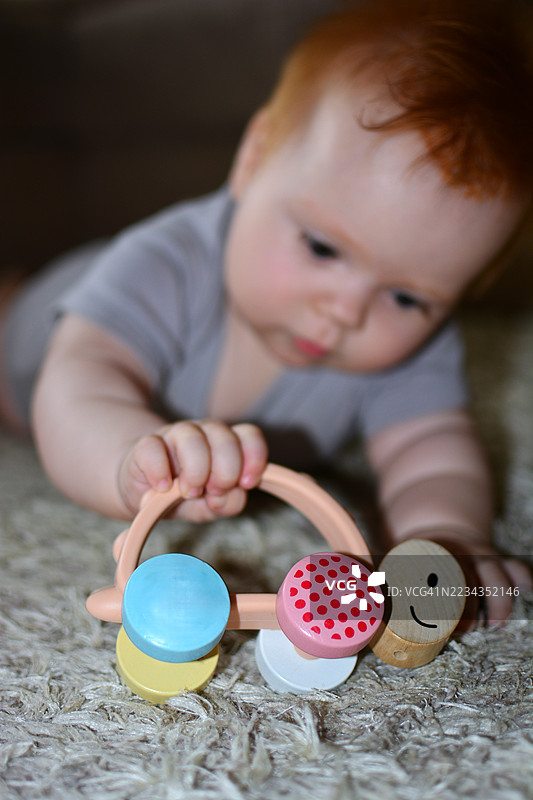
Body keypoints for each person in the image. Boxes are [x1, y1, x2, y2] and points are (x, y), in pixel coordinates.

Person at [1, 0, 532, 624]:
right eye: (322, 248)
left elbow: (432, 448)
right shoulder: (170, 262)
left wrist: (447, 539)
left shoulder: (418, 344)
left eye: (408, 297)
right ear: (252, 161)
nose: (344, 311)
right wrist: (127, 458)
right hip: (35, 342)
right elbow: (77, 383)